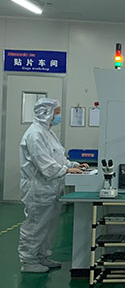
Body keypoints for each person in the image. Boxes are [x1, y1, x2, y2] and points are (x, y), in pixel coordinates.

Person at [19, 98, 86, 273]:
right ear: (46, 112)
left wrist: (73, 165)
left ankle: (41, 256)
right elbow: (44, 164)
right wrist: (66, 170)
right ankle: (29, 261)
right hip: (38, 187)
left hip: (51, 188)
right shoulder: (35, 134)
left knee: (49, 225)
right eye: (57, 112)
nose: (59, 116)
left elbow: (58, 157)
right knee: (36, 225)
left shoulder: (47, 132)